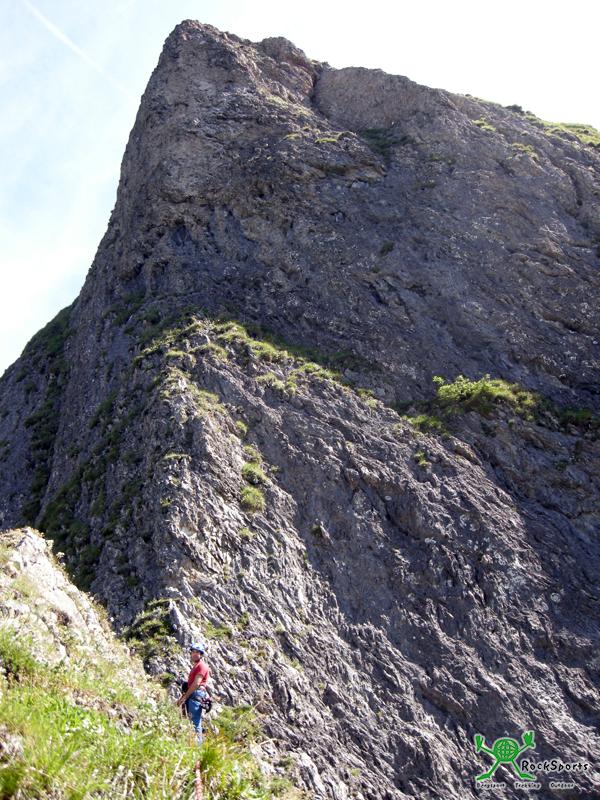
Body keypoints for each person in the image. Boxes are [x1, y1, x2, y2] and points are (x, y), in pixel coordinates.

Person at [177, 641, 209, 744]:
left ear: (201, 654)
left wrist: (185, 697)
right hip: (193, 694)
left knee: (195, 722)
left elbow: (197, 683)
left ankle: (197, 747)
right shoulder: (196, 666)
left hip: (195, 694)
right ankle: (191, 744)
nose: (194, 654)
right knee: (190, 720)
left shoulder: (201, 666)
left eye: (197, 652)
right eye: (193, 652)